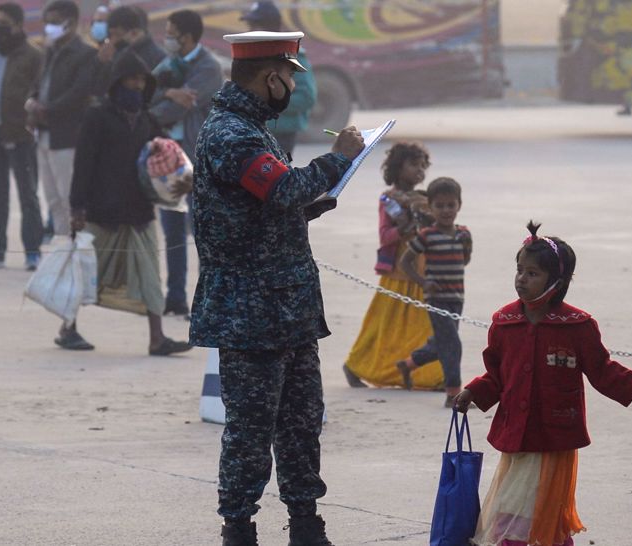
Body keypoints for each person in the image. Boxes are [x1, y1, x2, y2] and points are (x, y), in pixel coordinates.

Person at [189, 30, 363, 546]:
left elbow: (269, 205)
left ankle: (306, 521)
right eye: (288, 75)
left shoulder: (252, 127)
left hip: (286, 305)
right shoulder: (231, 134)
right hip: (251, 311)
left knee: (301, 423)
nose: (290, 84)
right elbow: (282, 188)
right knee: (249, 430)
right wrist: (338, 159)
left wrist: (319, 195)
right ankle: (238, 527)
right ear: (270, 77)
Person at [455, 222, 632, 546]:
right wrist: (472, 392)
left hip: (554, 436)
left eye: (532, 273)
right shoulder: (504, 322)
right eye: (519, 270)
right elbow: (496, 375)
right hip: (516, 433)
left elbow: (602, 370)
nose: (521, 278)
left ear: (557, 282)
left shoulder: (578, 325)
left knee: (536, 509)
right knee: (512, 504)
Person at [59, 52, 192, 356]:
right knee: (87, 276)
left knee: (149, 277)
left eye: (142, 80)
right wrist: (76, 208)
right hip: (101, 211)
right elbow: (83, 165)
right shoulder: (97, 116)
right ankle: (68, 328)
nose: (137, 85)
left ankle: (157, 338)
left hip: (139, 212)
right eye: (132, 79)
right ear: (118, 81)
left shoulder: (146, 118)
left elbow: (166, 150)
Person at [342, 142, 445, 389]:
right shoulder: (389, 199)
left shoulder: (424, 198)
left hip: (421, 270)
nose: (419, 171)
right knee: (382, 324)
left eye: (423, 166)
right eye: (413, 165)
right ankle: (355, 365)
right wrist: (405, 227)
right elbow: (385, 236)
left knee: (423, 326)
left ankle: (429, 376)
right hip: (398, 272)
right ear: (398, 169)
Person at [150, 9, 223, 317]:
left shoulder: (208, 67)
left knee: (202, 234)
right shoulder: (170, 64)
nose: (167, 39)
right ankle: (176, 297)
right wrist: (168, 92)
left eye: (171, 33)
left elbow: (174, 110)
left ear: (188, 37)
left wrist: (159, 108)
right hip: (168, 160)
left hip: (196, 161)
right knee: (172, 232)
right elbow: (148, 93)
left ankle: (207, 301)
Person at [0, 3, 44, 271]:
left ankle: (32, 252)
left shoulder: (33, 56)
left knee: (28, 195)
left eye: (3, 23)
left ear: (17, 24)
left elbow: (40, 92)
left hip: (19, 136)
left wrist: (30, 121)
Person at [26, 0, 97, 245]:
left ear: (72, 23)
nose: (49, 28)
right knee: (53, 199)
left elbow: (78, 93)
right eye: (46, 22)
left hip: (67, 137)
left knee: (70, 199)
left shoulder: (86, 54)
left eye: (54, 22)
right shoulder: (50, 50)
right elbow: (38, 86)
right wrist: (32, 102)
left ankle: (76, 250)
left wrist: (46, 109)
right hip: (44, 134)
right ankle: (61, 247)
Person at [397, 177, 472, 407]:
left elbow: (464, 259)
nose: (446, 210)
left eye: (451, 205)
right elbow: (405, 262)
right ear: (430, 207)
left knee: (442, 343)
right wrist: (423, 282)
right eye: (439, 206)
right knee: (452, 344)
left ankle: (408, 364)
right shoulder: (426, 235)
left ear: (459, 205)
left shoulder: (463, 234)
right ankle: (453, 395)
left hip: (457, 298)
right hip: (435, 299)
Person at [240, 0, 317, 158]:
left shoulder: (292, 56)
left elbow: (306, 97)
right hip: (256, 130)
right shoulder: (254, 56)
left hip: (281, 134)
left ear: (270, 27)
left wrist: (268, 103)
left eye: (255, 26)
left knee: (277, 180)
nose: (250, 31)